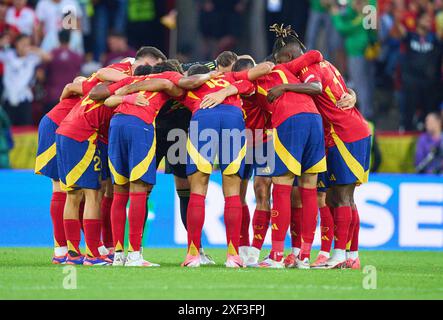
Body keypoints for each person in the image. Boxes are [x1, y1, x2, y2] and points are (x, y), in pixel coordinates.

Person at [202, 51, 326, 269]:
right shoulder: (242, 83)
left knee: (263, 189)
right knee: (237, 195)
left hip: (265, 139)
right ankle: (242, 247)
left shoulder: (266, 78)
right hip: (238, 140)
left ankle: (258, 250)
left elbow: (311, 56)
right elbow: (237, 86)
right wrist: (222, 92)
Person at [267, 24, 370, 269]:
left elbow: (316, 87)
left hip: (344, 133)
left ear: (289, 57)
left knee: (341, 197)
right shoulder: (329, 65)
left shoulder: (308, 67)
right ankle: (351, 256)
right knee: (342, 197)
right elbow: (341, 91)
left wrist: (283, 86)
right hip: (350, 130)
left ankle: (338, 256)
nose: (279, 65)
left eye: (280, 60)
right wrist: (353, 93)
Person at [34, 76, 86, 264]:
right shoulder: (104, 82)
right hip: (59, 126)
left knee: (76, 191)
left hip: (67, 127)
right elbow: (73, 82)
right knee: (62, 188)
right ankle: (62, 251)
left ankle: (69, 250)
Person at [0, 34, 51, 125]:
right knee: (8, 129)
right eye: (22, 44)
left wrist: (33, 49)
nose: (24, 47)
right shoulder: (9, 55)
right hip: (8, 98)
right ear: (16, 44)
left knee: (25, 128)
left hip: (24, 98)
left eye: (27, 44)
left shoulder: (32, 58)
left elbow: (48, 57)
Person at [43, 30, 83, 114]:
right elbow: (78, 77)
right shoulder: (76, 57)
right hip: (69, 98)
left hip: (52, 96)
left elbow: (41, 75)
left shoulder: (51, 54)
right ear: (70, 39)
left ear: (58, 38)